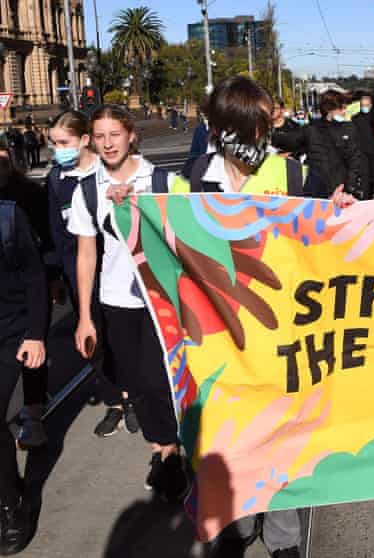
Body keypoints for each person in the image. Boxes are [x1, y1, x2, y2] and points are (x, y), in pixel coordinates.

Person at [166, 76, 354, 558]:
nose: (255, 140)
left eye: (261, 128)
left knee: (280, 432)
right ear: (221, 128)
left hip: (279, 327)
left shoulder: (290, 175)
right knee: (232, 434)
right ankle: (238, 521)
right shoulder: (192, 176)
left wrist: (338, 210)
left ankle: (284, 533)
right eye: (246, 129)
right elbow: (166, 237)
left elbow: (325, 230)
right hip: (221, 329)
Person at [69, 105, 189, 503]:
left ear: (131, 135)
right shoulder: (86, 188)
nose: (107, 144)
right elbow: (86, 255)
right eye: (99, 136)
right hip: (114, 300)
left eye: (114, 135)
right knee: (135, 383)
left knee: (159, 380)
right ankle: (163, 447)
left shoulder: (162, 180)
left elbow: (187, 237)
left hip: (161, 299)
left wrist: (135, 207)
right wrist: (85, 316)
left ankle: (169, 451)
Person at [46, 110, 137, 438]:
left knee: (121, 338)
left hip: (113, 270)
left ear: (85, 140)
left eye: (63, 142)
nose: (58, 150)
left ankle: (131, 397)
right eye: (54, 143)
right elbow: (55, 229)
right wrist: (57, 274)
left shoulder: (108, 172)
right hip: (78, 273)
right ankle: (114, 400)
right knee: (92, 341)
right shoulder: (56, 179)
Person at [0, 158, 47, 555]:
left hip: (10, 332)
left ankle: (12, 506)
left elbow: (35, 278)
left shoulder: (9, 218)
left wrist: (35, 335)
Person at [0, 142, 50, 452]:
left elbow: (47, 236)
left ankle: (33, 410)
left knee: (32, 351)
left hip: (31, 282)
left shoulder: (28, 194)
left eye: (4, 162)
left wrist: (53, 277)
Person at [298, 90, 367, 200]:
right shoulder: (311, 130)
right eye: (341, 108)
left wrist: (349, 189)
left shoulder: (349, 129)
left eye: (345, 108)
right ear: (329, 109)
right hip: (315, 192)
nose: (344, 112)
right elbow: (296, 147)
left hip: (340, 191)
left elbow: (355, 160)